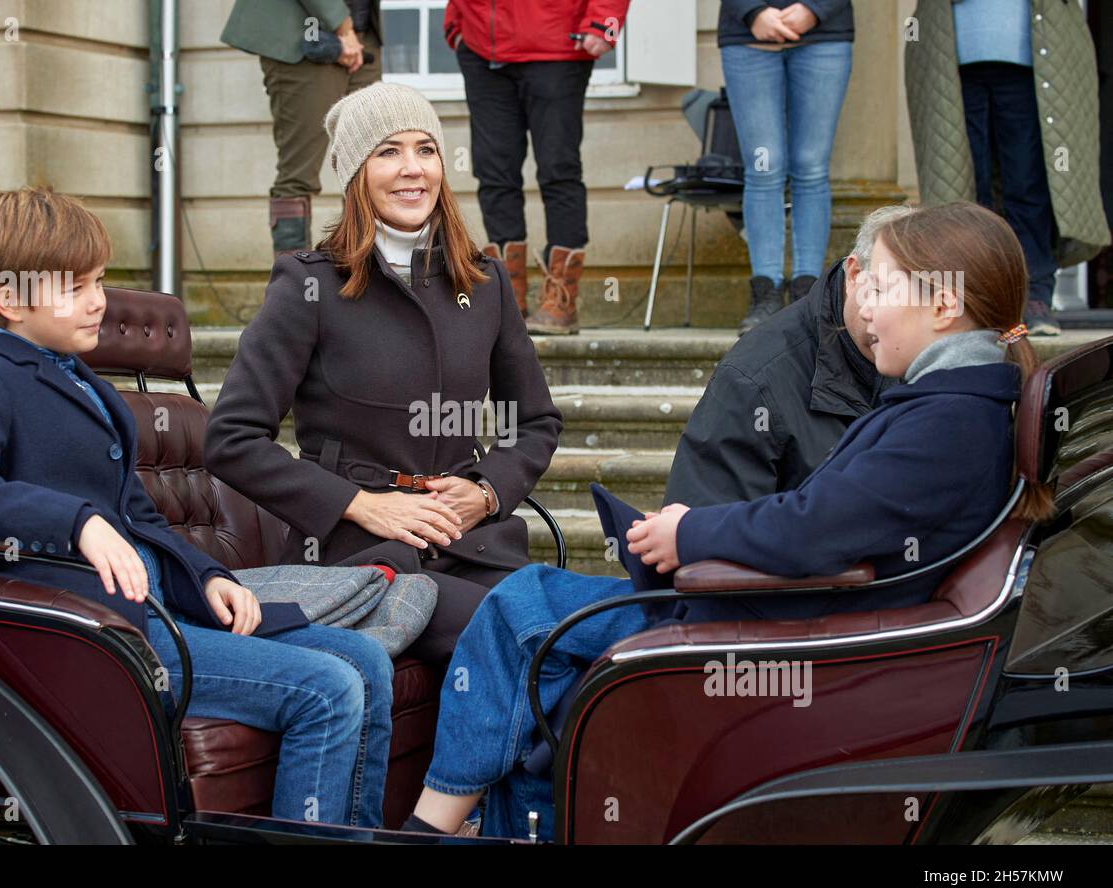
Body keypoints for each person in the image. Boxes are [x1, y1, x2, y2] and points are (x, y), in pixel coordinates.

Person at [401, 201, 1054, 839]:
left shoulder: (944, 421)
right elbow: (827, 519)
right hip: (817, 622)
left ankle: (429, 827)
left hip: (790, 633)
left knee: (521, 608)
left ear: (944, 306)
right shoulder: (960, 402)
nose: (868, 308)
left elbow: (813, 529)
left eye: (884, 289)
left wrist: (686, 533)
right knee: (537, 647)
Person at [0, 187, 394, 828]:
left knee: (366, 660)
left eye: (100, 281)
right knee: (327, 689)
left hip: (163, 611)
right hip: (97, 636)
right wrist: (77, 522)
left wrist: (212, 576)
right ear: (10, 301)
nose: (97, 301)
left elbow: (141, 518)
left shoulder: (87, 384)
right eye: (74, 287)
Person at [203, 82, 563, 666]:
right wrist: (361, 504)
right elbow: (231, 439)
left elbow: (536, 421)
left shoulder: (485, 281)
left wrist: (487, 491)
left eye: (426, 150)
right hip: (359, 555)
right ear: (356, 174)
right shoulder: (307, 285)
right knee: (518, 639)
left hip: (473, 544)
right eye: (388, 152)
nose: (411, 170)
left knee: (585, 629)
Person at [664, 203, 911, 507]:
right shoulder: (754, 378)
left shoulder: (941, 356)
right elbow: (707, 525)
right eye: (885, 294)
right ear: (855, 273)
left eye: (914, 305)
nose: (897, 320)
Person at [906, 0, 1110, 337]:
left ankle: (1036, 296)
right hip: (951, 61)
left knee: (1029, 181)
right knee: (964, 192)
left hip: (1032, 61)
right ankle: (972, 298)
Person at [443, 0, 631, 334]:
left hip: (556, 46)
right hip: (481, 49)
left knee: (559, 172)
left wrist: (605, 21)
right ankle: (507, 298)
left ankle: (561, 300)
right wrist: (455, 23)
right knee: (492, 172)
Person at [717, 1, 855, 334]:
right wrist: (753, 11)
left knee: (811, 168)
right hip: (747, 38)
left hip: (825, 36)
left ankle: (808, 294)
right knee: (764, 167)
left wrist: (815, 8)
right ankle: (766, 295)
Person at [221, 0, 383, 256]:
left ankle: (365, 282)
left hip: (364, 38)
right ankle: (295, 287)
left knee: (369, 170)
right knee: (298, 175)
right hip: (303, 38)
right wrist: (344, 28)